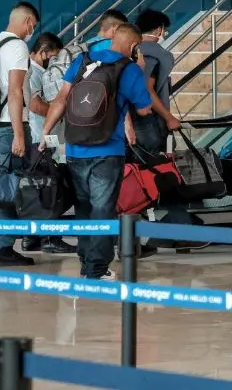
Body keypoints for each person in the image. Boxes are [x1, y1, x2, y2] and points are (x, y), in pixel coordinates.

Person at [42, 24, 153, 280]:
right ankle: (96, 269)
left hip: (74, 147)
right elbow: (144, 108)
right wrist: (141, 70)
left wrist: (45, 133)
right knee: (102, 209)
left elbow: (61, 98)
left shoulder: (84, 59)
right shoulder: (130, 69)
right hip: (107, 150)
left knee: (83, 206)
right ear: (134, 46)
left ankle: (86, 261)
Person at [0, 1, 39, 266]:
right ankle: (3, 247)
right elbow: (15, 92)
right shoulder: (17, 46)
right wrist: (19, 134)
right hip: (7, 126)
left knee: (5, 186)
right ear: (27, 22)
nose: (32, 31)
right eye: (33, 26)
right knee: (15, 188)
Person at [22, 32, 75, 255]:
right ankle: (50, 238)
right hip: (41, 139)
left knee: (41, 188)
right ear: (43, 52)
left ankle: (31, 237)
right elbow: (34, 105)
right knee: (52, 189)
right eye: (52, 56)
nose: (54, 61)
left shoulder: (38, 71)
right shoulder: (32, 72)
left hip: (45, 137)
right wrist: (59, 112)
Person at [133, 9, 181, 153]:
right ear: (159, 29)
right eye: (165, 30)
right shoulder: (152, 55)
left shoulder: (131, 49)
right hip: (147, 121)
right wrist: (169, 118)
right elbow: (147, 89)